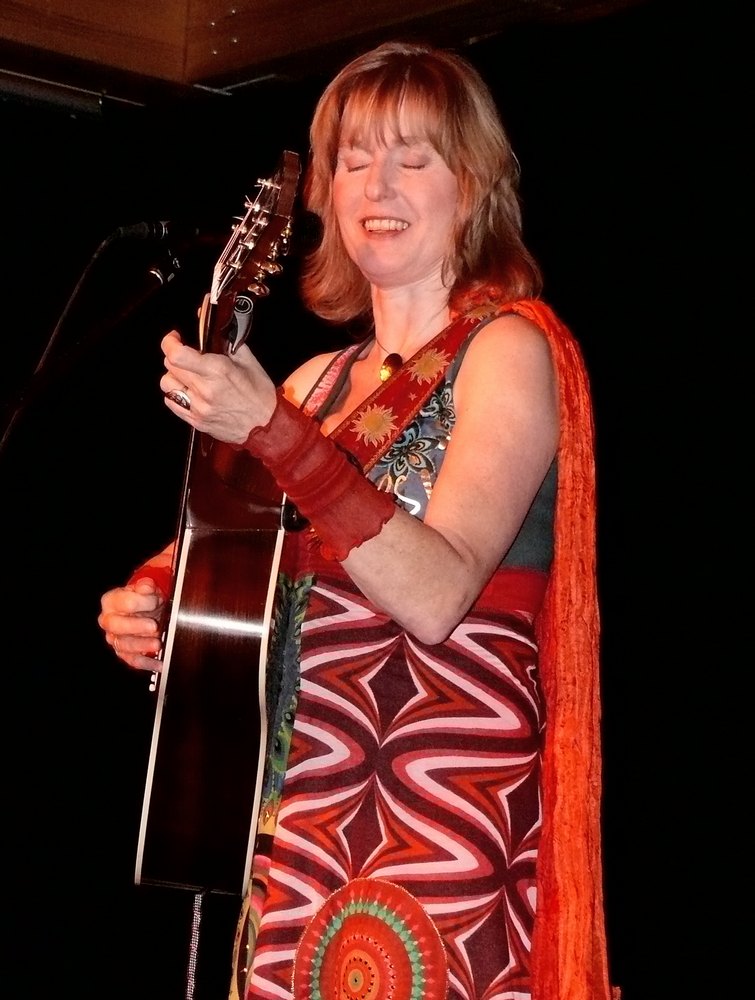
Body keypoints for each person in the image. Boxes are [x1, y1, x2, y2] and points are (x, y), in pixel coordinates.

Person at [98, 40, 619, 1000]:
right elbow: (221, 561)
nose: (377, 185)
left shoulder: (508, 350)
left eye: (412, 158)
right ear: (324, 194)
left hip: (442, 817)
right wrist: (149, 597)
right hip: (302, 818)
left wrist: (272, 431)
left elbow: (436, 593)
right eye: (352, 160)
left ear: (472, 185)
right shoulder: (314, 383)